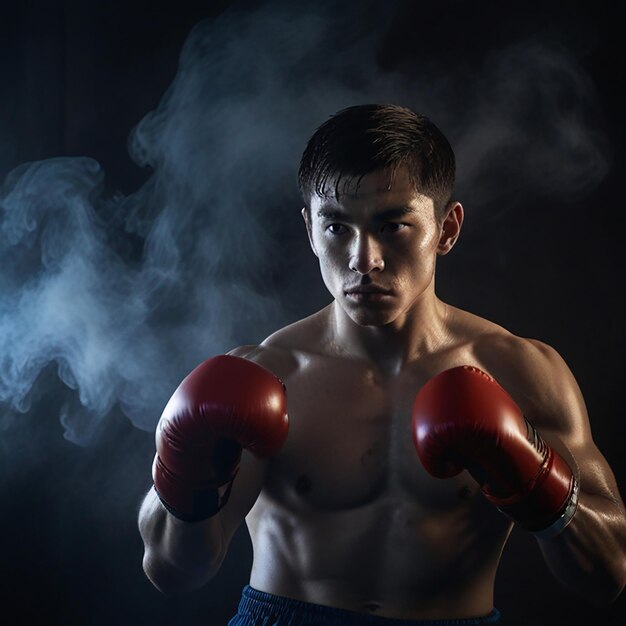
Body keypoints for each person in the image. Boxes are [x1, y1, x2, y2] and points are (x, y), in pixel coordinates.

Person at [137, 104, 626, 625]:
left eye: (393, 226)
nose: (362, 258)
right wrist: (185, 473)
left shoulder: (522, 372)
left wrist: (537, 479)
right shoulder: (268, 376)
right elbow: (173, 571)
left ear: (447, 228)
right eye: (337, 227)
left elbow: (608, 576)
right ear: (309, 229)